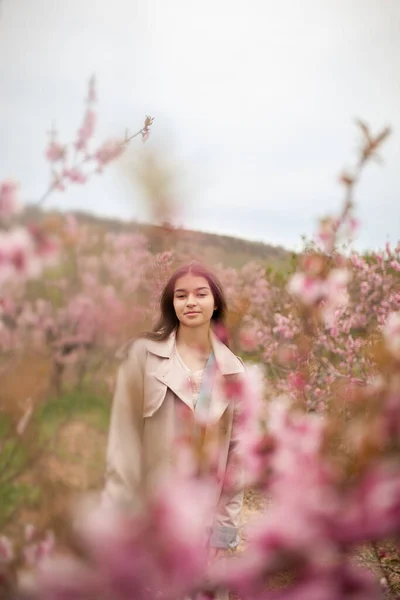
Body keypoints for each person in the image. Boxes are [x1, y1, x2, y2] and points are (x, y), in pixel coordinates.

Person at [103, 261, 245, 595]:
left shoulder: (232, 371)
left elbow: (236, 464)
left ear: (216, 303)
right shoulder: (142, 357)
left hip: (203, 520)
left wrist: (223, 535)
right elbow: (121, 446)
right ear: (171, 304)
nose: (190, 302)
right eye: (181, 295)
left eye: (200, 294)